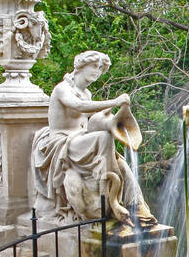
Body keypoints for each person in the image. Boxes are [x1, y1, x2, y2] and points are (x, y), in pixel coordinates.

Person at [31, 50, 156, 228]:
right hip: (61, 140)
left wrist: (112, 115)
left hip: (80, 138)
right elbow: (79, 106)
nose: (97, 71)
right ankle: (103, 183)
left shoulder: (86, 93)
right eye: (94, 66)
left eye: (100, 68)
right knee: (103, 138)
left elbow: (90, 118)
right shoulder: (63, 89)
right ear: (81, 66)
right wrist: (114, 102)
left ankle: (135, 206)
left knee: (120, 161)